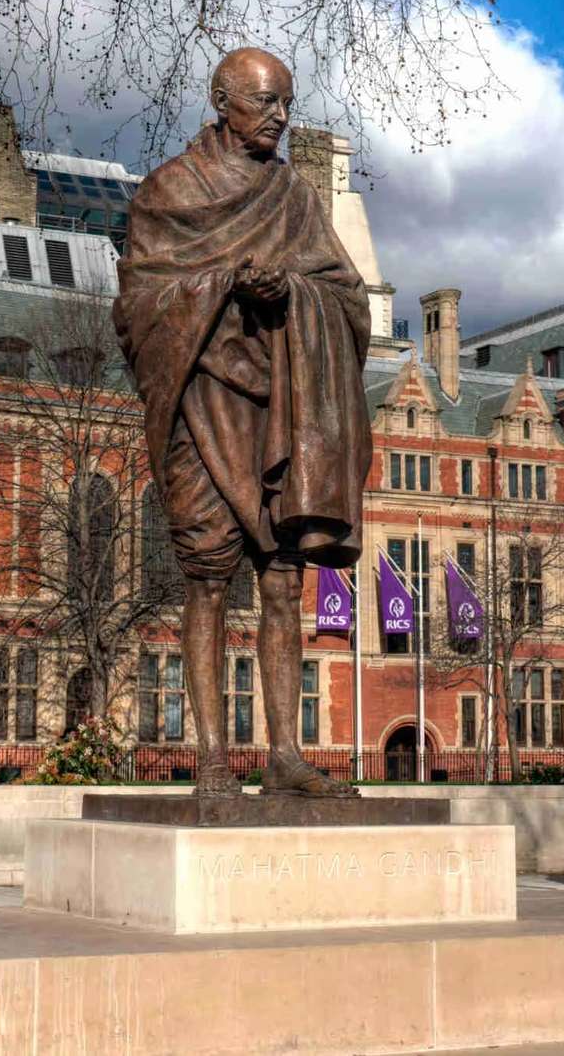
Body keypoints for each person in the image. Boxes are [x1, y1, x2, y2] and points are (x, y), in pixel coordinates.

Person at [115, 47, 372, 797]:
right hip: (203, 401)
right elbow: (136, 307)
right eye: (266, 102)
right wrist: (224, 282)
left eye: (286, 103)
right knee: (206, 578)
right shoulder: (169, 191)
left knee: (284, 580)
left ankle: (285, 753)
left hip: (280, 404)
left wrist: (287, 289)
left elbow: (346, 295)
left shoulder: (295, 196)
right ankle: (212, 760)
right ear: (222, 101)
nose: (280, 117)